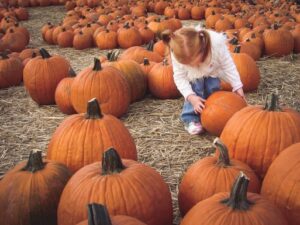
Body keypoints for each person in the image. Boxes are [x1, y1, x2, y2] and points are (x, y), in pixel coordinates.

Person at [161, 24, 245, 135]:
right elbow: (180, 78)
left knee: (213, 89)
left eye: (193, 61)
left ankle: (212, 116)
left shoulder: (216, 46)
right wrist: (191, 97)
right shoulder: (177, 55)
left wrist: (237, 86)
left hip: (212, 72)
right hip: (193, 77)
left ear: (201, 50)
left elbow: (228, 65)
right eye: (187, 64)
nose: (191, 65)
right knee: (196, 90)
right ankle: (191, 119)